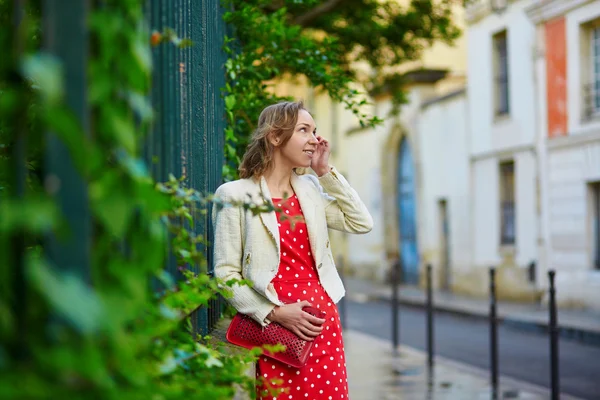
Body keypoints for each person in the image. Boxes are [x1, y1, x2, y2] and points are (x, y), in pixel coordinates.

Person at [213, 100, 373, 399]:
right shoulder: (234, 195)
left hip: (321, 326)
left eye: (315, 131)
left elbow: (360, 221)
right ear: (275, 137)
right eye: (304, 130)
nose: (314, 140)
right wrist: (274, 313)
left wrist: (325, 172)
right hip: (275, 330)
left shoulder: (311, 190)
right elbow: (225, 273)